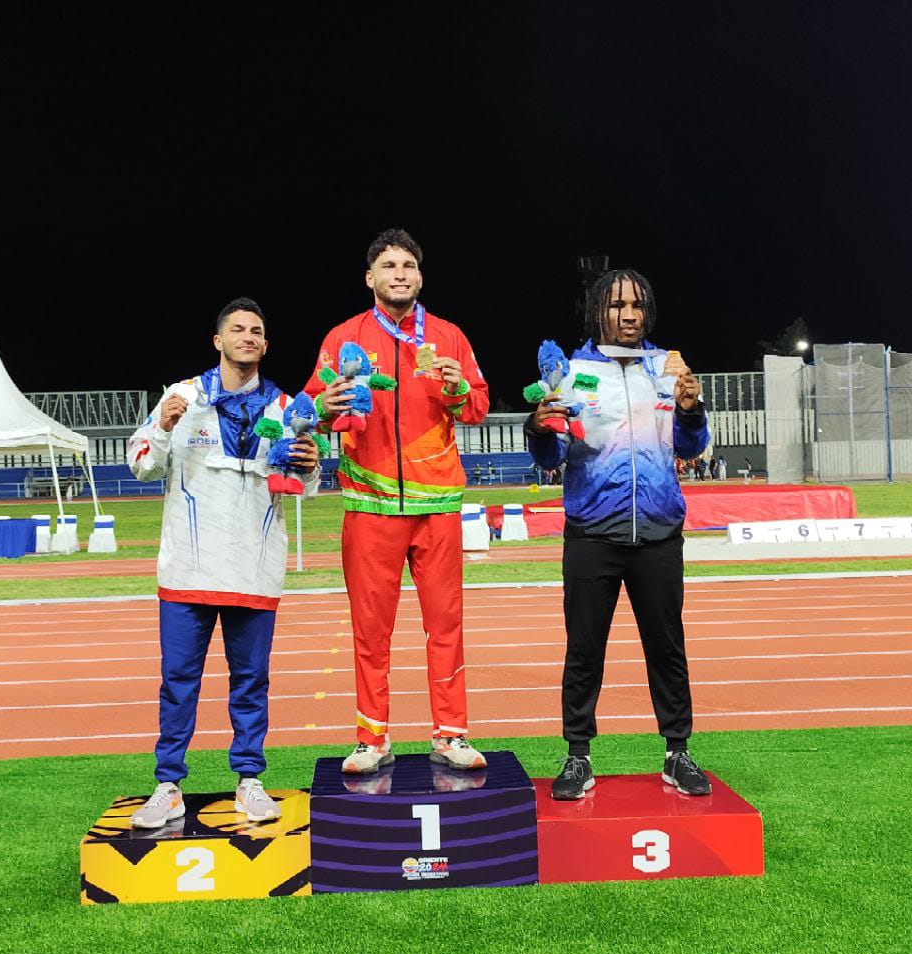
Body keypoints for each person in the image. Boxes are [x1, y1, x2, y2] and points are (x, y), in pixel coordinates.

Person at [126, 298, 320, 828]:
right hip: (188, 568)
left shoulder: (285, 407)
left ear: (265, 344)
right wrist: (163, 427)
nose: (248, 337)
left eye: (257, 330)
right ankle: (167, 785)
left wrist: (309, 464)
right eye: (238, 329)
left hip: (254, 568)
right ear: (218, 340)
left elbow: (303, 485)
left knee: (251, 681)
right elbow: (142, 466)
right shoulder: (181, 396)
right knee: (178, 681)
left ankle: (249, 781)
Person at [306, 228, 489, 774]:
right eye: (389, 265)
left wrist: (457, 388)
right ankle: (372, 738)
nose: (400, 273)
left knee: (446, 625)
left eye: (408, 265)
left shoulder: (449, 337)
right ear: (371, 277)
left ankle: (450, 734)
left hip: (436, 505)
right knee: (370, 629)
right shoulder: (343, 338)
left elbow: (476, 405)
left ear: (420, 275)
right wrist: (325, 405)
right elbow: (311, 409)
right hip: (369, 504)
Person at [526, 268, 713, 800]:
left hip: (657, 533)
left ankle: (678, 753)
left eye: (636, 304)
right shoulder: (572, 369)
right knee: (584, 651)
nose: (627, 314)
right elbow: (551, 454)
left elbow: (690, 447)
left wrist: (690, 409)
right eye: (615, 305)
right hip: (591, 533)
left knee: (667, 648)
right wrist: (537, 428)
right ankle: (577, 758)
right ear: (596, 312)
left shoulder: (667, 366)